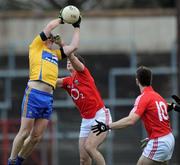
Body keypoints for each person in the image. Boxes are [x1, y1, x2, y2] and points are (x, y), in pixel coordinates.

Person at [8, 12, 81, 165]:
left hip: (47, 98)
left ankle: (19, 161)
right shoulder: (35, 47)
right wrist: (62, 18)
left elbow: (73, 47)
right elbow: (49, 27)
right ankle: (11, 161)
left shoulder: (54, 54)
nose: (51, 39)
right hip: (34, 93)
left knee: (36, 137)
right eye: (50, 37)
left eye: (52, 38)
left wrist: (77, 26)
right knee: (24, 132)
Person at [92, 66, 175, 165]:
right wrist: (151, 138)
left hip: (159, 141)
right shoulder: (158, 97)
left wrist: (107, 126)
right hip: (169, 138)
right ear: (150, 80)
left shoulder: (144, 98)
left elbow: (130, 120)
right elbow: (159, 115)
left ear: (137, 80)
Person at [56, 52, 112, 165]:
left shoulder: (83, 73)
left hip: (99, 115)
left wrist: (69, 52)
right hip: (86, 120)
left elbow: (73, 59)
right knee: (83, 159)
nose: (69, 61)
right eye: (67, 61)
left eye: (71, 60)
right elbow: (51, 82)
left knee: (90, 147)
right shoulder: (67, 81)